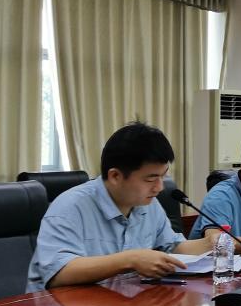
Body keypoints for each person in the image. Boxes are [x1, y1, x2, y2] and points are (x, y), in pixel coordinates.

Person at [26, 122, 217, 291]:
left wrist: (212, 243)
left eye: (163, 176)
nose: (159, 187)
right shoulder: (70, 207)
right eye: (151, 178)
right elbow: (60, 273)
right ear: (115, 176)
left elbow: (173, 246)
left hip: (120, 305)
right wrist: (130, 260)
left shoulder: (148, 204)